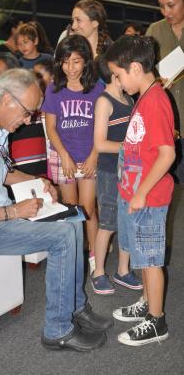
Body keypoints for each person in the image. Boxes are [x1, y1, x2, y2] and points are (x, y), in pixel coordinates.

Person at [0, 68, 113, 352]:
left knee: (75, 220)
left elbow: (2, 174)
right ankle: (57, 330)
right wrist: (14, 212)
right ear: (7, 100)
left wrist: (37, 180)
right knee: (61, 236)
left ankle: (76, 308)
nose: (30, 119)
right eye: (28, 111)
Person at [104, 35, 176, 346]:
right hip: (136, 196)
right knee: (143, 258)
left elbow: (167, 153)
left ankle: (157, 321)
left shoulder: (156, 101)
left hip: (149, 198)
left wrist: (142, 192)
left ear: (134, 68)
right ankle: (147, 303)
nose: (117, 82)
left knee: (150, 261)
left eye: (118, 76)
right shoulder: (145, 98)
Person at [42, 34, 105, 274]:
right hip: (62, 155)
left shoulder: (97, 89)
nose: (70, 67)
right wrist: (65, 155)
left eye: (76, 61)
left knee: (88, 209)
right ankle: (74, 252)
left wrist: (93, 157)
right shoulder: (54, 89)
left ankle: (94, 257)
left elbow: (103, 128)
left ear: (86, 61)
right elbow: (51, 129)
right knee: (71, 208)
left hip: (89, 155)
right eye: (66, 61)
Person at [92, 56, 142, 294]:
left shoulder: (130, 99)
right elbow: (100, 144)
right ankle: (98, 272)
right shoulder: (104, 101)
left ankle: (123, 270)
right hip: (110, 172)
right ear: (114, 74)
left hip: (130, 171)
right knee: (108, 223)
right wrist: (129, 147)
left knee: (127, 222)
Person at [146, 0, 184, 184]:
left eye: (171, 5)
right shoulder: (155, 30)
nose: (166, 12)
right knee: (167, 184)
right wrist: (154, 80)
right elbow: (144, 71)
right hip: (166, 123)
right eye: (161, 6)